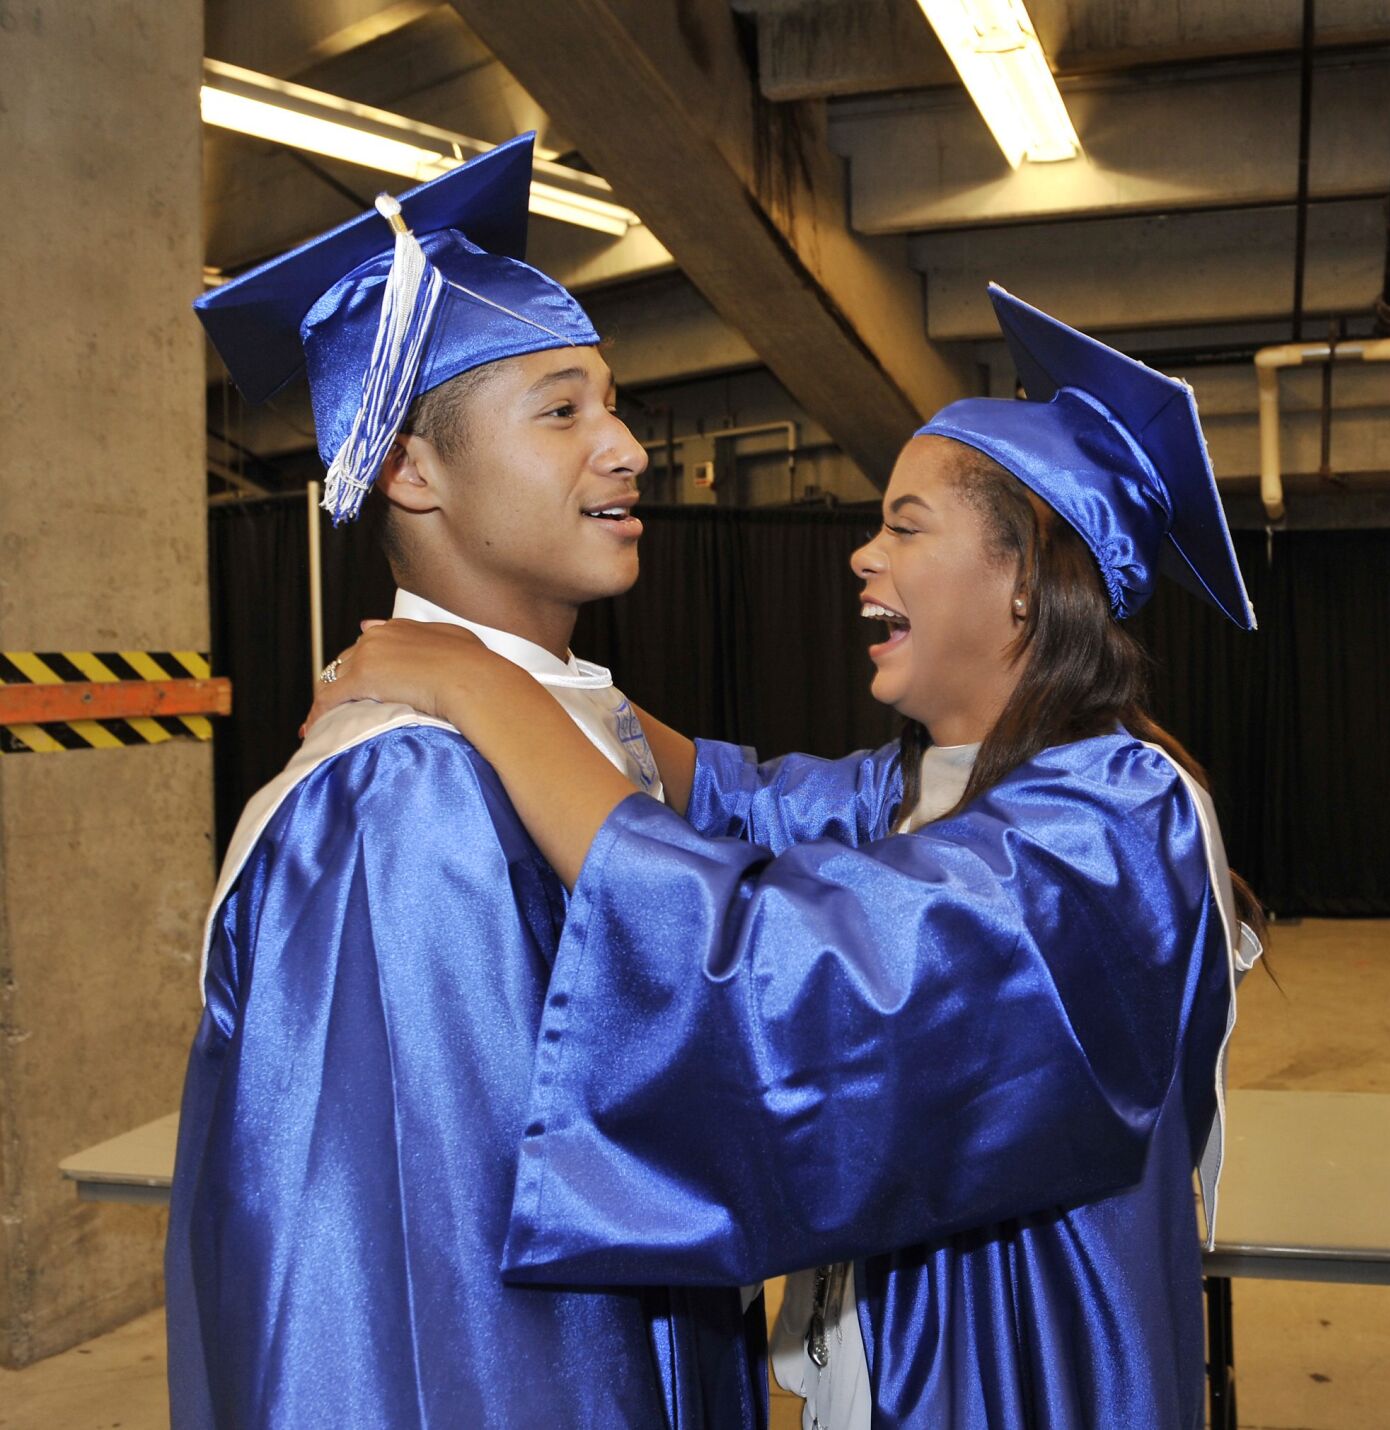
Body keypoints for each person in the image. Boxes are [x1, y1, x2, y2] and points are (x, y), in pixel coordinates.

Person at [309, 284, 1265, 1428]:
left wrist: (482, 685)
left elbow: (804, 965)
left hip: (1025, 1373)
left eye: (905, 525)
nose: (864, 554)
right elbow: (730, 796)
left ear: (1025, 578)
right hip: (905, 1351)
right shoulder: (924, 785)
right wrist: (543, 676)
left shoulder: (1118, 821)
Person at [166, 136, 764, 1429]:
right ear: (411, 469)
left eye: (613, 405)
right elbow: (421, 1317)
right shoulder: (405, 803)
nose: (627, 450)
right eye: (561, 410)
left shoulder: (548, 735)